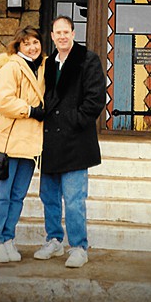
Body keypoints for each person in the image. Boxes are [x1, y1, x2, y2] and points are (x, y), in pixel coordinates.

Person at [32, 15, 107, 268]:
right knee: (49, 197)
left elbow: (96, 99)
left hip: (76, 140)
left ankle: (78, 247)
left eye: (66, 32)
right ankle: (54, 241)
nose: (62, 36)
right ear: (52, 36)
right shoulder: (48, 64)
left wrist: (75, 120)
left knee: (74, 199)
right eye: (57, 33)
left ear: (74, 33)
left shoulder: (88, 60)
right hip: (50, 141)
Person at [0, 26, 47, 263]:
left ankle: (8, 238)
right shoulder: (11, 67)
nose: (32, 47)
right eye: (26, 43)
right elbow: (0, 99)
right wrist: (30, 109)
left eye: (35, 42)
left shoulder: (42, 68)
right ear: (18, 46)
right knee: (2, 194)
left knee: (18, 195)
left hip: (31, 142)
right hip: (10, 140)